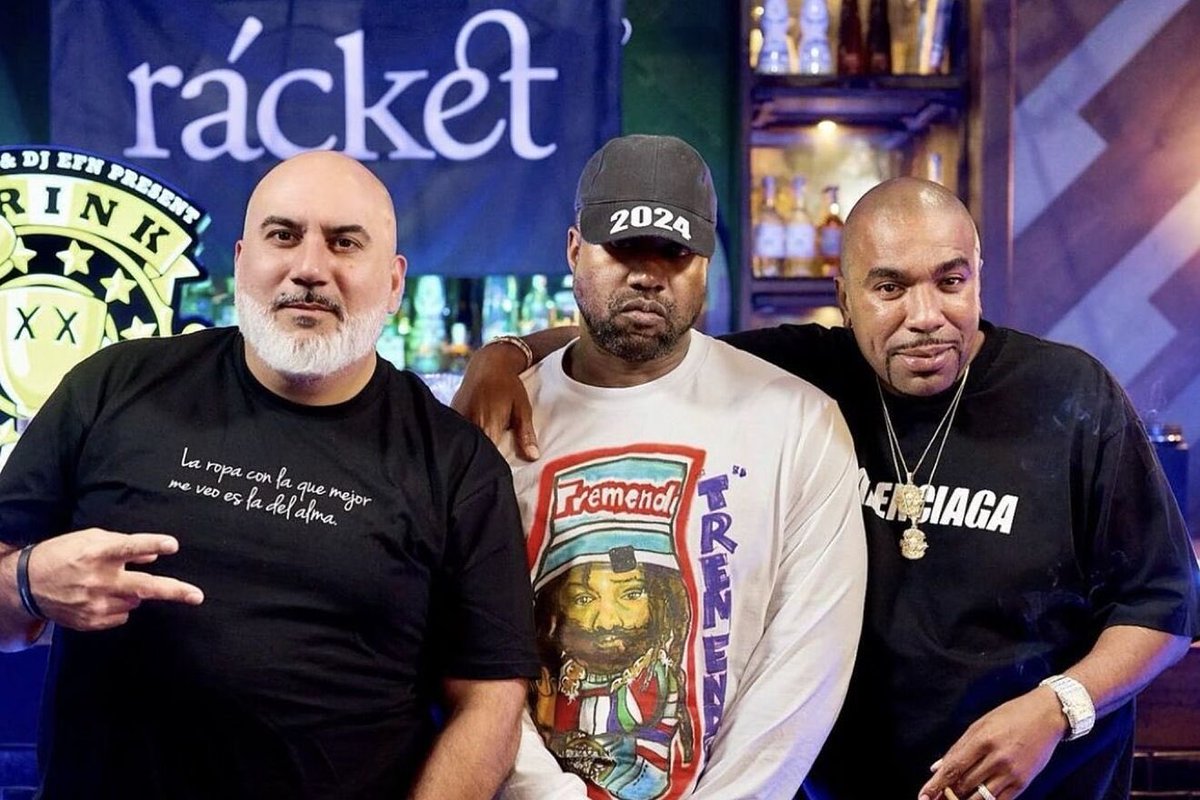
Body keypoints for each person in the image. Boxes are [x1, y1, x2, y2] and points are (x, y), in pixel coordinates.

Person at [454, 175, 1200, 800]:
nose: (926, 317)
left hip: (1044, 784)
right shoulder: (807, 377)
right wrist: (505, 355)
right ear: (844, 296)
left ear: (978, 275)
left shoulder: (1069, 394)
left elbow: (1163, 609)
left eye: (951, 281)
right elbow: (646, 335)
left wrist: (1055, 709)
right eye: (890, 288)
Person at [0, 150, 539, 800]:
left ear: (395, 283)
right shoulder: (112, 387)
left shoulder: (455, 463)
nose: (309, 268)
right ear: (240, 260)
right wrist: (26, 583)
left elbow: (489, 699)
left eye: (345, 243)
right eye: (283, 235)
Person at [491, 134, 868, 800]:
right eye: (622, 249)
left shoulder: (801, 424)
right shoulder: (498, 424)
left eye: (675, 252)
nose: (647, 275)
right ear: (574, 250)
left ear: (705, 263)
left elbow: (807, 666)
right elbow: (476, 655)